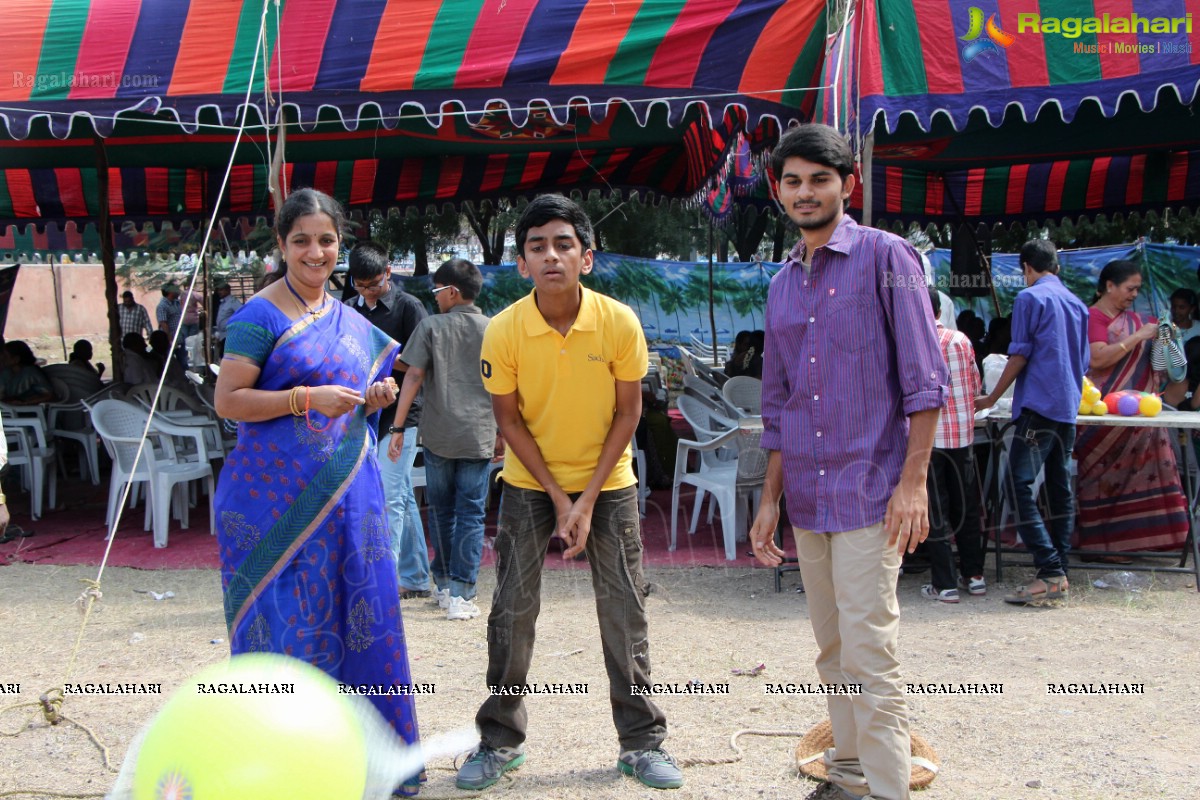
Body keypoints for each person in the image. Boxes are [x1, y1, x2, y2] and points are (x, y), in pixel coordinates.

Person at [747, 123, 948, 800]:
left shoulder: (888, 259)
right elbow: (779, 405)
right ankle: (846, 778)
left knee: (870, 651)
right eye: (794, 181)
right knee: (833, 650)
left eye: (819, 179)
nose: (806, 193)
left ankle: (889, 789)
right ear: (779, 191)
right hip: (806, 494)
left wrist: (913, 484)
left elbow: (925, 383)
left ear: (848, 185)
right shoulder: (780, 286)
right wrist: (770, 499)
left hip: (870, 491)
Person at [457, 195, 681, 792]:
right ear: (522, 263)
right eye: (536, 247)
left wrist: (585, 499)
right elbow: (509, 424)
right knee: (512, 609)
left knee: (624, 606)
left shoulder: (618, 322)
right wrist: (560, 498)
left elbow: (629, 415)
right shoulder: (503, 330)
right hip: (531, 485)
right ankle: (499, 741)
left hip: (610, 484)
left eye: (563, 244)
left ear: (586, 257)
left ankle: (641, 742)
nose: (550, 255)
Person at [213, 188, 423, 796]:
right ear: (280, 245)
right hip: (270, 506)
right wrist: (307, 399)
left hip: (347, 500)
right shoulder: (260, 316)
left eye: (326, 240)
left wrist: (376, 400)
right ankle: (282, 772)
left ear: (340, 244)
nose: (315, 251)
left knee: (360, 619)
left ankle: (363, 764)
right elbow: (229, 401)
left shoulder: (350, 322)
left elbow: (356, 404)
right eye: (301, 240)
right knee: (284, 632)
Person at [975, 240, 1090, 604]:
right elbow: (1083, 360)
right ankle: (1060, 572)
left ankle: (1050, 570)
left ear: (1026, 267)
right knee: (1059, 489)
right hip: (1068, 404)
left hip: (1039, 405)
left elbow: (1020, 354)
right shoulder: (1076, 303)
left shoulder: (1029, 299)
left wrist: (991, 397)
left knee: (1018, 484)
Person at [386, 258, 498, 621]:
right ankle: (462, 592)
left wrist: (398, 427)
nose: (434, 298)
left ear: (452, 291)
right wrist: (506, 434)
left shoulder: (432, 327)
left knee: (442, 511)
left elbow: (413, 377)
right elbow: (506, 388)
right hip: (478, 433)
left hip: (437, 435)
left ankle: (445, 583)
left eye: (436, 291)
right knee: (471, 513)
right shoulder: (494, 329)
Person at [1074, 259, 1188, 556]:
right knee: (1103, 480)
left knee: (1147, 470)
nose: (1134, 294)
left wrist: (1163, 338)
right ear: (1109, 286)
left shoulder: (1137, 320)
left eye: (1137, 289)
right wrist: (1138, 337)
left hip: (1138, 417)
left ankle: (1144, 541)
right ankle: (1101, 545)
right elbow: (1097, 360)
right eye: (1130, 288)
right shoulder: (1093, 317)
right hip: (1102, 418)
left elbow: (1164, 369)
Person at [345, 241, 431, 599]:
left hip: (401, 416)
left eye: (374, 285)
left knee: (388, 498)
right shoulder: (347, 309)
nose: (366, 292)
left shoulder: (410, 307)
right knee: (400, 495)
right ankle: (416, 576)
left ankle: (384, 581)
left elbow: (423, 365)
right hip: (362, 413)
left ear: (388, 273)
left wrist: (382, 352)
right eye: (360, 285)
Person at [921, 289, 985, 604]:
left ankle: (944, 584)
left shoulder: (914, 342)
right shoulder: (961, 340)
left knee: (937, 510)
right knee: (967, 507)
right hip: (962, 436)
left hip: (928, 440)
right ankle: (974, 576)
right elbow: (975, 384)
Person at [0, 341, 55, 405]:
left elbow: (48, 395)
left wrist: (24, 402)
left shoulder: (31, 373)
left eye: (5, 356)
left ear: (16, 359)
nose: (2, 358)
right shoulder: (6, 372)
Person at [213, 278, 243, 357]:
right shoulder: (223, 302)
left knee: (227, 356)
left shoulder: (233, 301)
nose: (219, 292)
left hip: (230, 334)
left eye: (221, 290)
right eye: (218, 290)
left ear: (228, 290)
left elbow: (241, 313)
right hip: (222, 335)